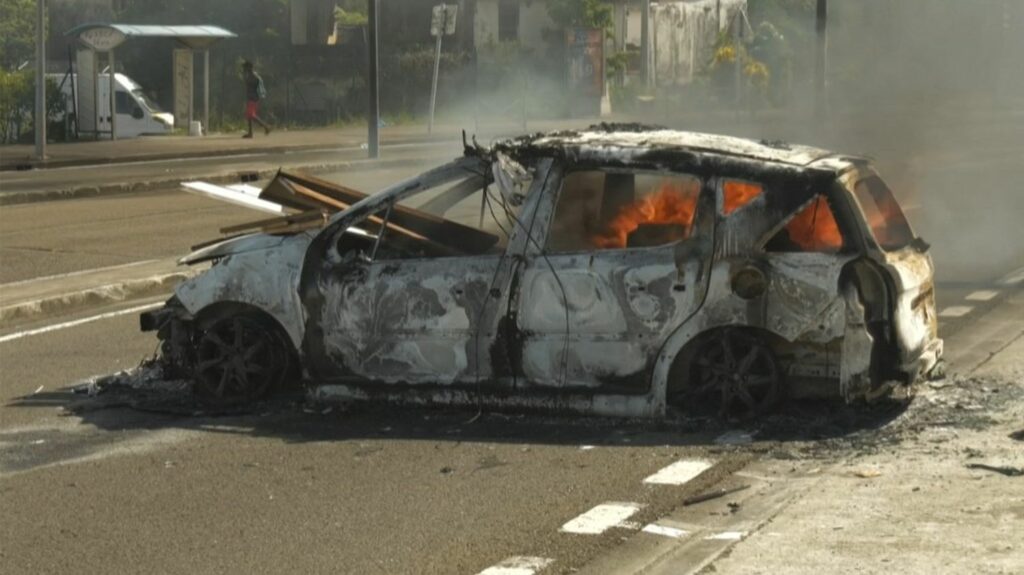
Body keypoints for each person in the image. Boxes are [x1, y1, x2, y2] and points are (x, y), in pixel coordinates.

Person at [242, 61, 271, 138]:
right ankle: (250, 133)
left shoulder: (254, 76)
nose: (244, 69)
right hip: (250, 97)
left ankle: (266, 126)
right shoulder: (250, 76)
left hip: (253, 98)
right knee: (249, 116)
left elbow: (256, 86)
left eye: (245, 67)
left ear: (249, 68)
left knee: (251, 115)